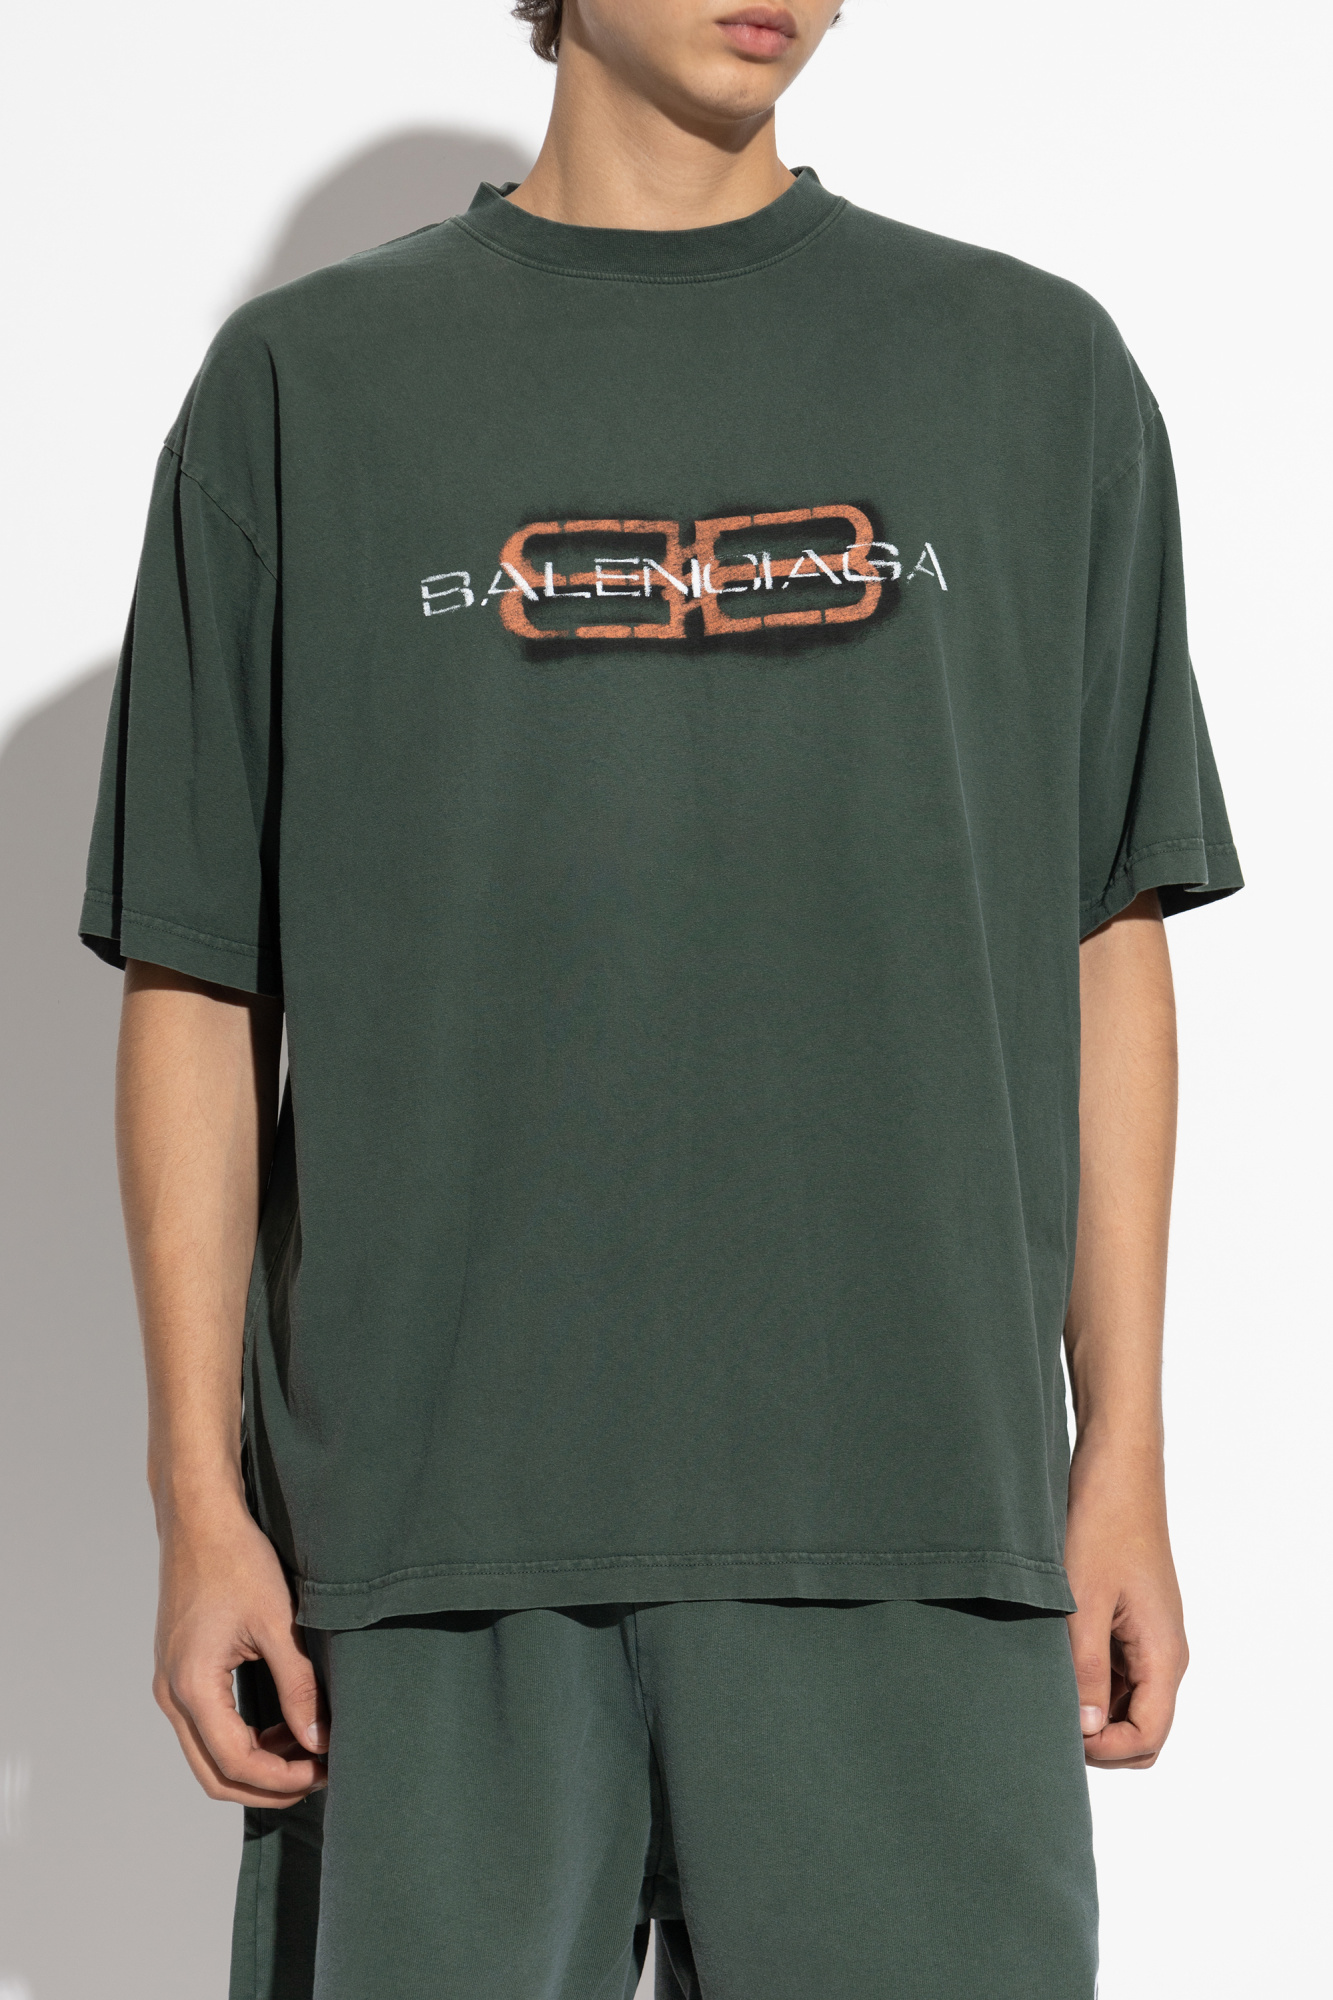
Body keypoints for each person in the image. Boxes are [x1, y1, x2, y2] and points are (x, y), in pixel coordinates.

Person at [81, 1, 1242, 1994]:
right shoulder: (309, 385)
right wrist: (199, 1501)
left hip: (914, 1524)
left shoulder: (1029, 372)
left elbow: (1101, 933)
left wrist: (1117, 1449)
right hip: (426, 1545)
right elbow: (200, 971)